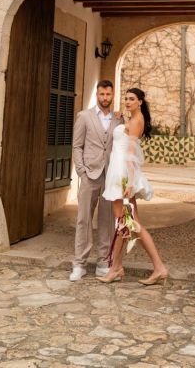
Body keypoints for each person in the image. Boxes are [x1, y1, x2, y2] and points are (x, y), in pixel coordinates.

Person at [99, 87, 168, 286]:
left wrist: (129, 182)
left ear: (140, 102)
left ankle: (159, 267)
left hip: (122, 174)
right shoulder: (131, 119)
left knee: (131, 224)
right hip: (119, 171)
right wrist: (121, 119)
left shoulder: (136, 121)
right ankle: (116, 267)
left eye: (132, 99)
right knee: (124, 224)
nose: (127, 102)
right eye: (126, 98)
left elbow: (131, 155)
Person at [70, 79, 124, 282]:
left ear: (112, 95)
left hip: (110, 176)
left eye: (108, 94)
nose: (105, 98)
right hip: (89, 175)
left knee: (107, 220)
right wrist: (81, 171)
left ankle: (103, 262)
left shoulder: (119, 119)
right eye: (102, 94)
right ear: (97, 95)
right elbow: (77, 146)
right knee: (83, 219)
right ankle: (79, 264)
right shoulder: (84, 117)